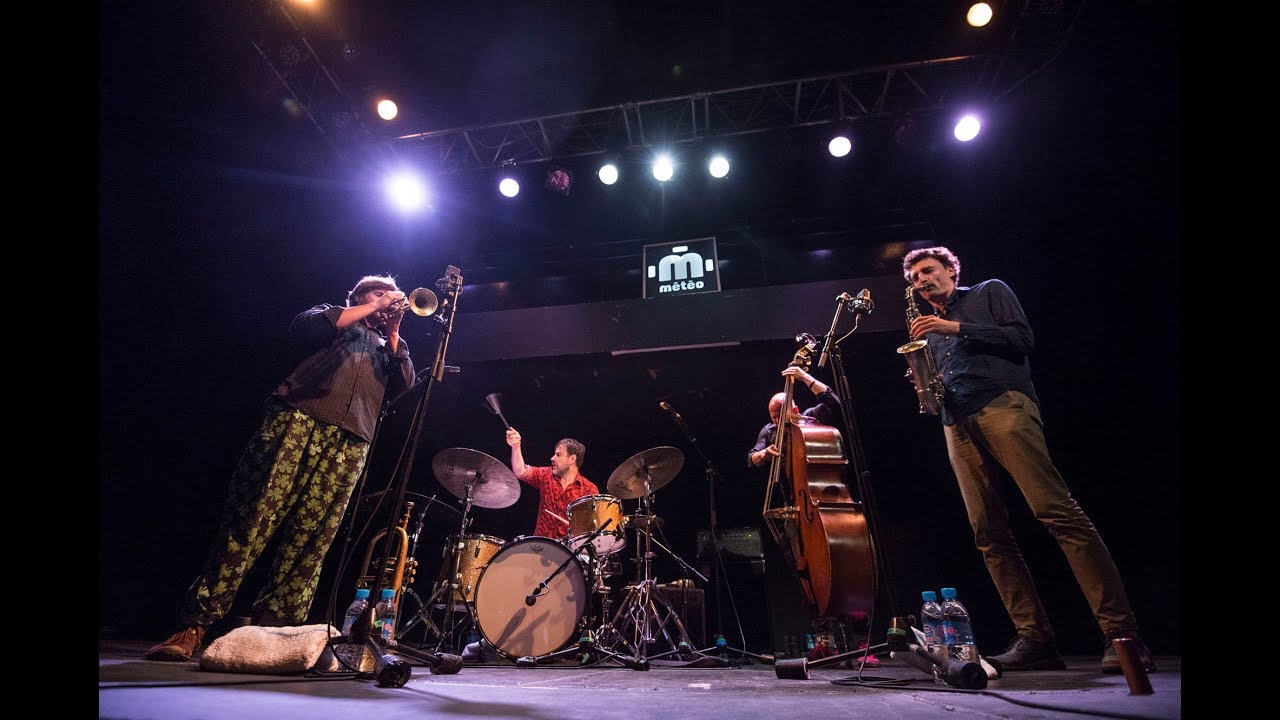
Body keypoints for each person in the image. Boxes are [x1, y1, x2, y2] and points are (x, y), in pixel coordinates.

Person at [901, 246, 1155, 674]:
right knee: (987, 533)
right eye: (915, 279)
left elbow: (1022, 339)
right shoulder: (928, 327)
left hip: (1003, 404)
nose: (922, 281)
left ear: (951, 269)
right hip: (956, 421)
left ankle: (1121, 635)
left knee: (1056, 511)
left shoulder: (988, 291)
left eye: (928, 271)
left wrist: (954, 327)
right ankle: (1035, 639)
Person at [145, 275, 417, 662]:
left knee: (312, 540)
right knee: (251, 520)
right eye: (377, 292)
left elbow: (404, 384)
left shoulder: (390, 345)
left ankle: (276, 634)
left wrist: (393, 330)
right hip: (296, 421)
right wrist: (373, 307)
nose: (388, 299)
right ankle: (195, 625)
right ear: (357, 296)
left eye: (388, 295)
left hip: (350, 442)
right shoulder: (331, 316)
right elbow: (304, 329)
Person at [505, 428, 599, 538]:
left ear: (572, 459)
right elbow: (520, 471)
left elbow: (592, 527)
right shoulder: (546, 475)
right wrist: (516, 447)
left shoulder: (589, 489)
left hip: (569, 550)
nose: (552, 458)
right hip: (541, 546)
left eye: (558, 455)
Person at [747, 366, 840, 468]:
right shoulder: (769, 430)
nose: (777, 421)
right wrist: (763, 453)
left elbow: (834, 404)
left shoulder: (811, 419)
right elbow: (752, 458)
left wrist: (806, 377)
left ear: (795, 410)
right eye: (774, 417)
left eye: (781, 416)